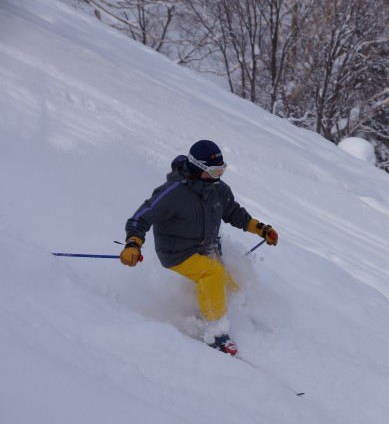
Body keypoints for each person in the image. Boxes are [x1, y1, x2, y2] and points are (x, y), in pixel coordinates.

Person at [119, 140, 278, 356]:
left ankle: (227, 314)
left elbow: (234, 213)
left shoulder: (218, 189)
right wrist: (133, 244)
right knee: (213, 273)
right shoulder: (173, 192)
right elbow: (140, 217)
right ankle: (216, 332)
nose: (218, 175)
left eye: (221, 169)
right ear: (196, 167)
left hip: (206, 247)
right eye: (213, 170)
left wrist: (260, 229)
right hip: (177, 252)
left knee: (231, 282)